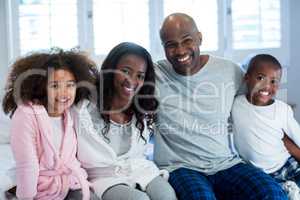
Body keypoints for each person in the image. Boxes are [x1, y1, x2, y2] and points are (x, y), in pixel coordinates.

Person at [153, 13, 288, 200]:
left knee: (272, 193)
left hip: (225, 163)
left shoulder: (229, 71)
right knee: (202, 197)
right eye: (171, 45)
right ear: (163, 48)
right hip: (179, 167)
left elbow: (260, 111)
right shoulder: (155, 74)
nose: (180, 50)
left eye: (187, 41)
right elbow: (119, 77)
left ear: (199, 38)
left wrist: (289, 147)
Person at [74, 42, 177, 200]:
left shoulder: (142, 109)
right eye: (125, 71)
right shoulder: (84, 109)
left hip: (139, 169)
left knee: (167, 195)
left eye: (140, 76)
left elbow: (140, 155)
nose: (132, 80)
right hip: (103, 177)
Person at [2, 49, 99, 200]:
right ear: (41, 87)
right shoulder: (26, 115)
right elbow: (27, 165)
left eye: (70, 85)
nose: (63, 93)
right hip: (38, 188)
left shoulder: (71, 113)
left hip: (69, 182)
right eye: (55, 86)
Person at [232, 54, 300, 187]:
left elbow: (297, 137)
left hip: (286, 163)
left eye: (273, 81)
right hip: (261, 173)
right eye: (260, 78)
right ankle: (289, 189)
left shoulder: (282, 110)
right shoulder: (235, 105)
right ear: (247, 78)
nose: (267, 86)